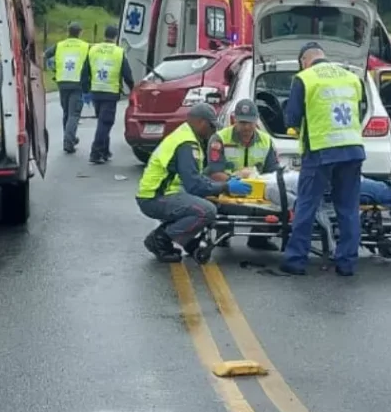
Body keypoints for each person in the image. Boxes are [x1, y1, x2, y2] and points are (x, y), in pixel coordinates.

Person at [280, 42, 366, 277]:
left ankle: (296, 260)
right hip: (352, 149)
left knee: (307, 204)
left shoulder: (305, 78)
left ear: (303, 61)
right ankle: (347, 263)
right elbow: (359, 111)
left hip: (321, 150)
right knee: (348, 208)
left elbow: (292, 119)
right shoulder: (352, 77)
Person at [136, 103, 253, 262]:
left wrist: (226, 181)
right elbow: (194, 185)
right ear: (201, 122)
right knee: (206, 210)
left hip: (165, 192)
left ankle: (188, 241)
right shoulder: (187, 144)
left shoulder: (185, 136)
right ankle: (160, 240)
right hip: (154, 197)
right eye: (211, 126)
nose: (213, 131)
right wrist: (225, 187)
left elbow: (195, 177)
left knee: (204, 202)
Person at [206, 99, 282, 251]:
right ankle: (223, 232)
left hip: (258, 193)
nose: (246, 127)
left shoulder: (266, 141)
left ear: (256, 120)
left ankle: (259, 238)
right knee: (215, 201)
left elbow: (274, 173)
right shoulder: (219, 139)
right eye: (242, 122)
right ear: (235, 120)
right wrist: (234, 180)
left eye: (250, 122)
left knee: (282, 203)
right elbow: (214, 173)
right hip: (227, 191)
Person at [81, 25, 134, 164]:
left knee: (103, 122)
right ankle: (96, 152)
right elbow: (127, 74)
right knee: (105, 123)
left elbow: (85, 71)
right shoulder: (119, 52)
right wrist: (133, 88)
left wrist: (85, 90)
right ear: (116, 36)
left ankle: (105, 150)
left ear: (104, 35)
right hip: (110, 92)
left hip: (96, 91)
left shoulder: (93, 49)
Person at [44, 21, 89, 153]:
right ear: (80, 32)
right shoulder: (85, 46)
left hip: (62, 82)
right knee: (74, 114)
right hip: (77, 83)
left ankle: (69, 137)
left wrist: (50, 68)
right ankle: (68, 141)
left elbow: (44, 55)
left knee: (67, 112)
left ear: (68, 32)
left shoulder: (59, 45)